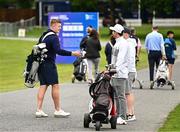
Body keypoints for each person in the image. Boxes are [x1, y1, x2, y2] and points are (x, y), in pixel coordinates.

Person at [36, 19, 80, 118]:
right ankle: (58, 110)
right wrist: (73, 53)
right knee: (55, 85)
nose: (60, 28)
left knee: (43, 85)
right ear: (54, 25)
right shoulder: (53, 37)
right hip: (49, 65)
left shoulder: (44, 35)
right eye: (59, 26)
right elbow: (58, 51)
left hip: (41, 64)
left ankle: (38, 110)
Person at [110, 24, 130, 125]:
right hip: (115, 73)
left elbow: (121, 58)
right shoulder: (118, 43)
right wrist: (110, 67)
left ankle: (122, 117)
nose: (112, 32)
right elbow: (114, 58)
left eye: (113, 31)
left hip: (120, 73)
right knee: (117, 96)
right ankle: (118, 115)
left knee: (121, 96)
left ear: (117, 33)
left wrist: (115, 69)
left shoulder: (123, 43)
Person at [123, 27, 137, 121]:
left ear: (126, 34)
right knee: (129, 92)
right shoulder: (132, 42)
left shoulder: (128, 43)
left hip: (129, 70)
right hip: (131, 70)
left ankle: (130, 113)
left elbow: (127, 59)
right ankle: (130, 112)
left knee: (128, 93)